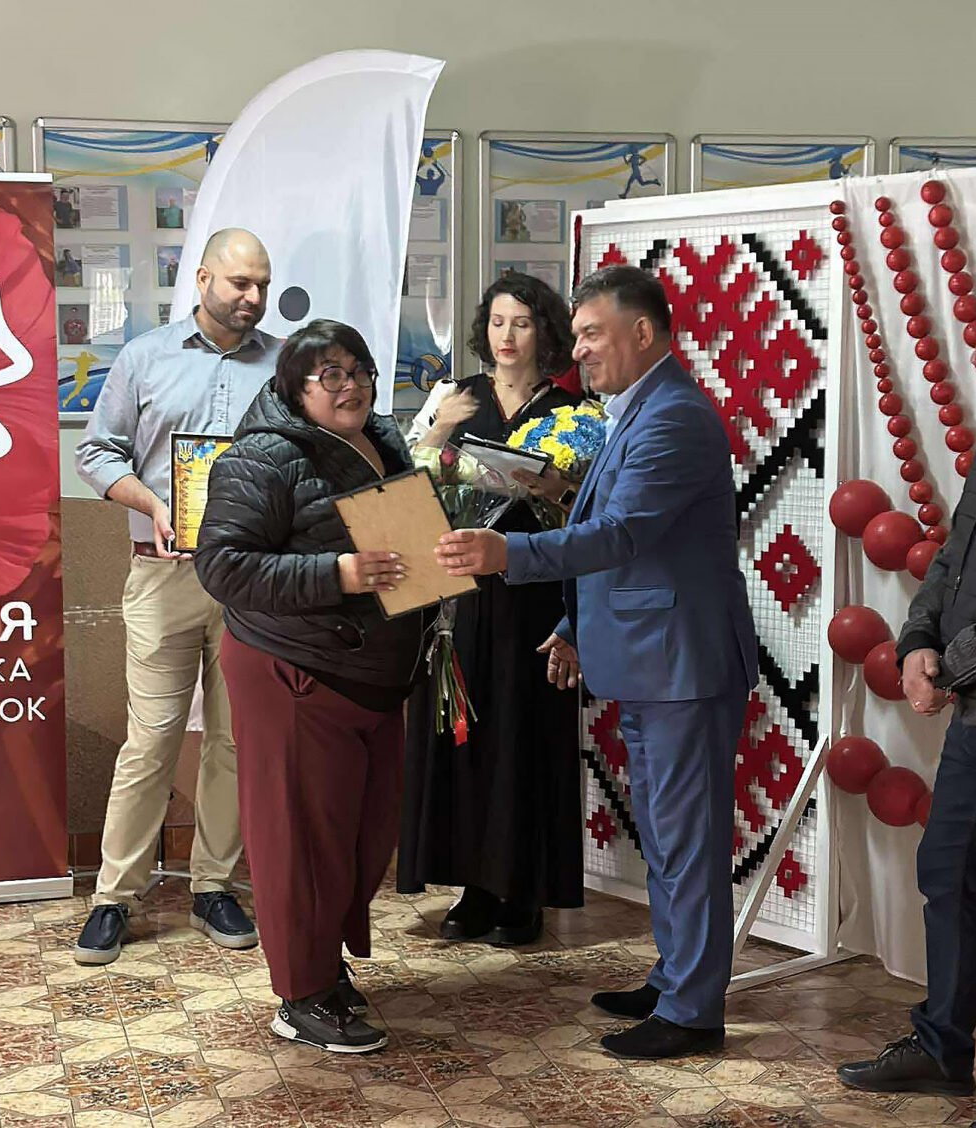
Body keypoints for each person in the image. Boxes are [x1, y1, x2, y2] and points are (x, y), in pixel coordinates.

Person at [435, 264, 757, 1060]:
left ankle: (693, 1009)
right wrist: (574, 624)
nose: (576, 351)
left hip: (681, 669)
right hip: (650, 663)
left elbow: (619, 534)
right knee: (666, 840)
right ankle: (675, 975)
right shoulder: (636, 409)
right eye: (575, 336)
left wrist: (506, 553)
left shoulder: (673, 417)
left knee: (686, 843)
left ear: (642, 332)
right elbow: (627, 544)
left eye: (589, 334)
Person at [194, 320, 425, 1054]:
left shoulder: (382, 440)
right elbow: (222, 566)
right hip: (293, 670)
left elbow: (405, 545)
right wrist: (338, 574)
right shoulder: (262, 455)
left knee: (358, 838)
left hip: (371, 675)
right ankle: (300, 996)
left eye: (358, 370)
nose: (350, 385)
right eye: (330, 374)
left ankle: (323, 965)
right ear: (295, 388)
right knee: (299, 841)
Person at [72, 228, 280, 965]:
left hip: (253, 584)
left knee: (234, 739)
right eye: (239, 283)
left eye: (261, 285)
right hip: (163, 576)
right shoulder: (144, 358)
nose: (252, 297)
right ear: (201, 280)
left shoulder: (285, 365)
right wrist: (152, 503)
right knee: (152, 737)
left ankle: (213, 886)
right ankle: (114, 896)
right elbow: (96, 451)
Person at [837, 275, 976, 1128]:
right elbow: (953, 558)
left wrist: (952, 668)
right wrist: (916, 644)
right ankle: (943, 1051)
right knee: (946, 870)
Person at [400, 272, 583, 946]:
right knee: (464, 734)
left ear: (545, 332)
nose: (508, 336)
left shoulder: (573, 410)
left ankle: (523, 891)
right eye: (499, 322)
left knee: (524, 736)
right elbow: (408, 480)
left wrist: (553, 484)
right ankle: (472, 886)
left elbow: (586, 508)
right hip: (459, 593)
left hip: (533, 592)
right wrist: (440, 428)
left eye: (523, 323)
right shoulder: (454, 395)